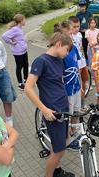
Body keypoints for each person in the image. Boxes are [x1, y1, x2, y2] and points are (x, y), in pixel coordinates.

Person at [25, 31, 75, 177]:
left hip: (63, 107)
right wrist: (44, 110)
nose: (67, 54)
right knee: (59, 151)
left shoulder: (59, 60)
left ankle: (57, 170)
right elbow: (28, 87)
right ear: (59, 44)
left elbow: (59, 82)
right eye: (67, 50)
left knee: (63, 141)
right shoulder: (41, 61)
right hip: (53, 111)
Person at [54, 21, 81, 151]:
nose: (71, 34)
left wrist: (80, 84)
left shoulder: (74, 47)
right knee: (68, 115)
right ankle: (67, 140)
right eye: (69, 32)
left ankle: (74, 132)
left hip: (76, 86)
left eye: (72, 32)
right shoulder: (59, 52)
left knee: (76, 112)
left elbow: (78, 66)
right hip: (67, 89)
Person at [2, 14, 28, 91]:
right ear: (20, 21)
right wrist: (11, 42)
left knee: (26, 65)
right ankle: (20, 84)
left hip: (24, 51)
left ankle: (26, 79)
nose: (25, 21)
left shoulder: (19, 28)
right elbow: (4, 36)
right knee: (19, 67)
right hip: (18, 52)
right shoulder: (15, 29)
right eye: (24, 19)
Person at [68, 16, 89, 109]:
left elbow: (81, 49)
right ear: (69, 27)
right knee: (78, 85)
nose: (77, 29)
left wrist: (85, 59)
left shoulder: (80, 35)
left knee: (84, 83)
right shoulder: (69, 37)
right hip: (75, 65)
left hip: (83, 63)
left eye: (78, 26)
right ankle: (77, 105)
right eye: (74, 26)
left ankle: (82, 102)